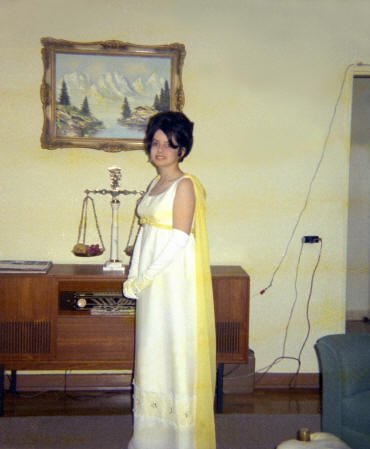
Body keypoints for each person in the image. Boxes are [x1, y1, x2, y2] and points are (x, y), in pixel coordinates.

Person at [123, 111, 216, 449]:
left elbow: (178, 239)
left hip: (173, 283)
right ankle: (151, 438)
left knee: (173, 349)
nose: (160, 150)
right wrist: (135, 274)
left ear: (182, 150)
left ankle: (180, 439)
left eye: (169, 144)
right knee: (152, 350)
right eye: (156, 143)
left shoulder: (185, 185)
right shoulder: (154, 184)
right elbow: (146, 233)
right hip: (152, 283)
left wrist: (144, 277)